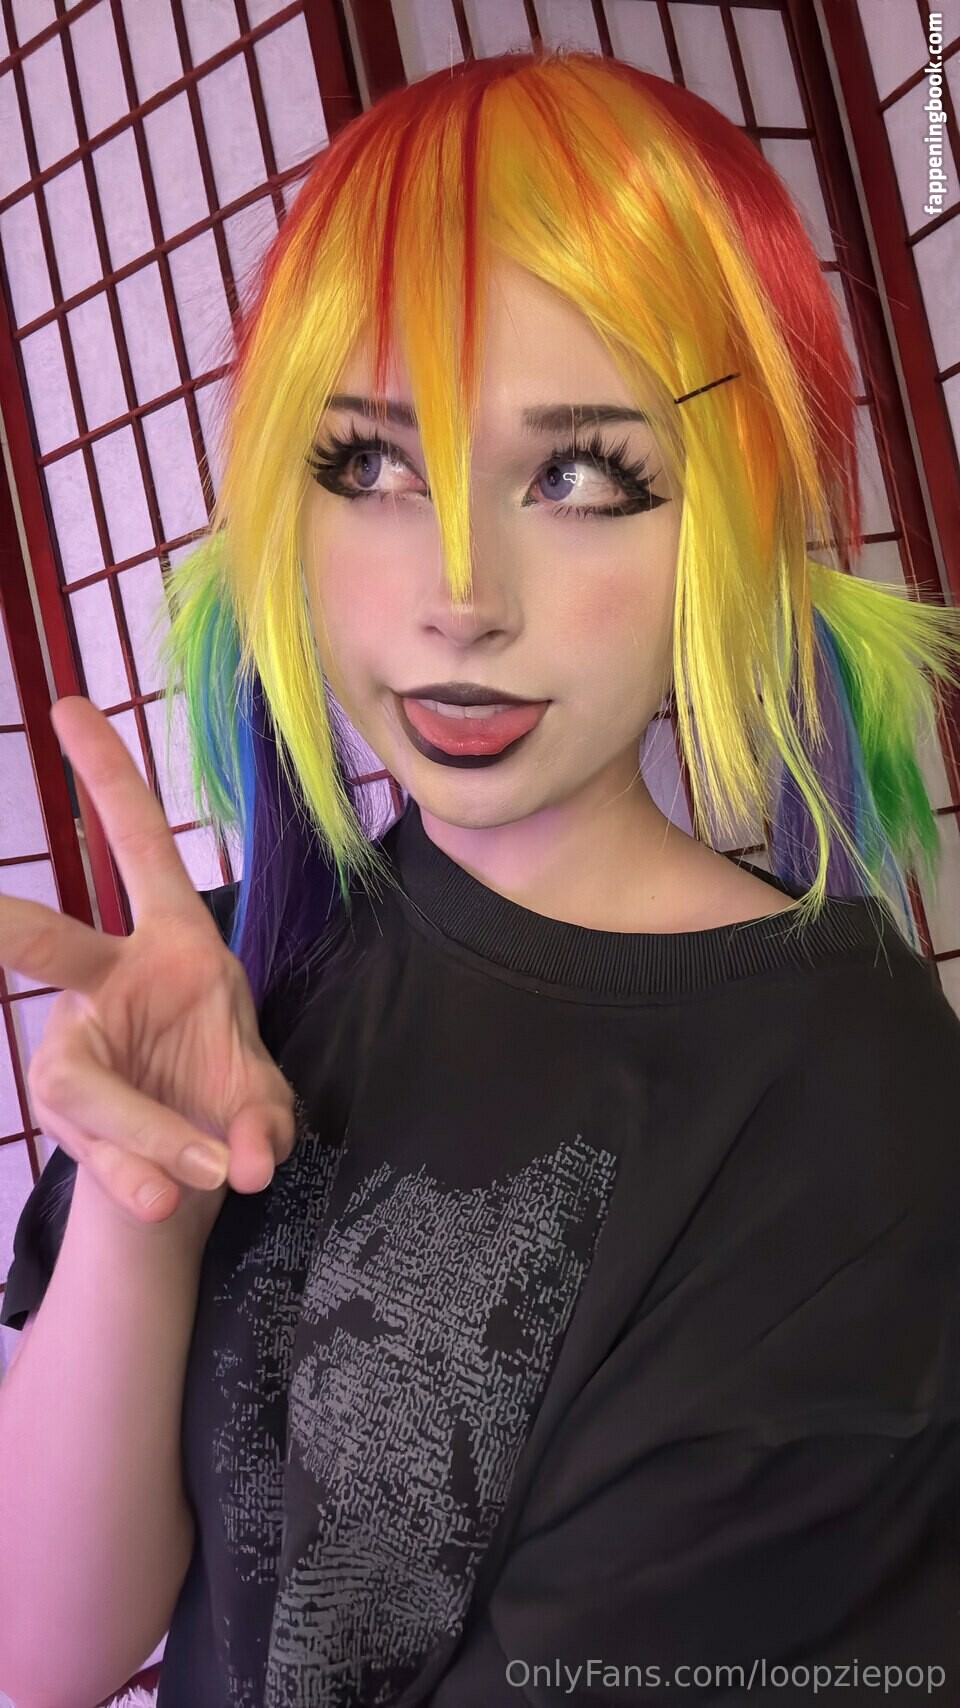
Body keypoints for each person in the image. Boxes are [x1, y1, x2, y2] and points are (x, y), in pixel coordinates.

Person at [2, 45, 960, 1708]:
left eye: (577, 475)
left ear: (733, 524)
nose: (461, 593)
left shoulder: (843, 1086)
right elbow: (38, 1650)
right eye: (370, 466)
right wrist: (141, 1207)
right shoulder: (230, 988)